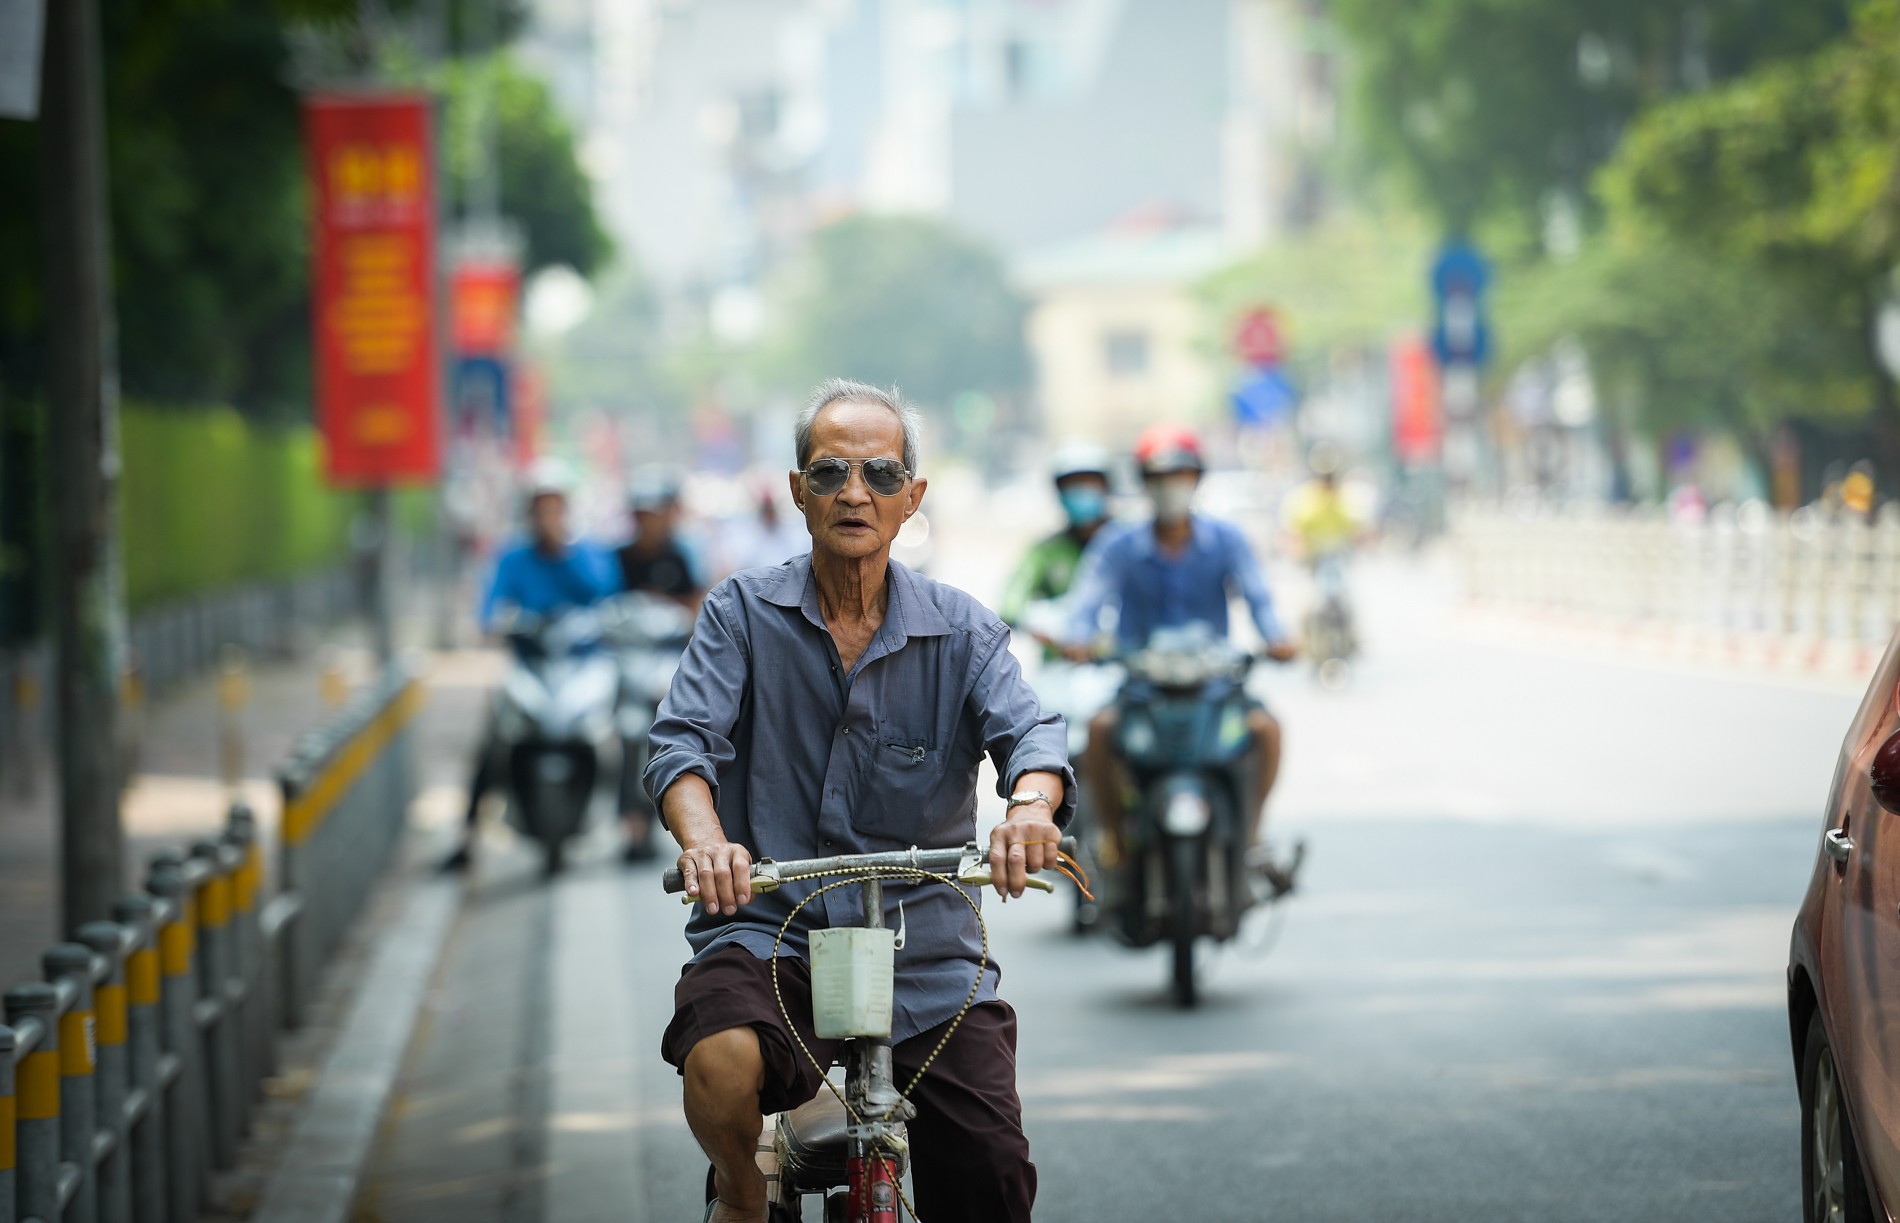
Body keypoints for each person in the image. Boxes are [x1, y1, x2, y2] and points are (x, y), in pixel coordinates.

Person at [646, 378, 1073, 1223]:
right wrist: (707, 842)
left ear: (911, 499)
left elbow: (1034, 735)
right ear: (797, 490)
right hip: (773, 929)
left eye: (880, 474)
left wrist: (1028, 808)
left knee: (992, 1174)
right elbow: (682, 744)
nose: (854, 492)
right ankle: (739, 1189)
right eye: (830, 471)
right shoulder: (740, 612)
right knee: (721, 1054)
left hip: (926, 951)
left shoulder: (964, 630)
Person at [1062, 423, 1298, 885]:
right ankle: (1115, 844)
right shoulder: (1119, 545)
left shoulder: (1227, 540)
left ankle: (1251, 838)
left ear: (1197, 480)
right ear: (1145, 484)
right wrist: (1079, 637)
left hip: (1215, 689)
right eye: (1160, 477)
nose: (1171, 488)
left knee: (1266, 730)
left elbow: (1260, 598)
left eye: (1181, 476)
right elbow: (1088, 602)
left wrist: (1278, 637)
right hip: (1142, 691)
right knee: (1099, 733)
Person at [442, 463, 619, 872]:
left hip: (584, 666)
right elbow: (489, 609)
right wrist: (496, 624)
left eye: (555, 507)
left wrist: (564, 551)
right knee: (495, 740)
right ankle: (466, 836)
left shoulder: (587, 552)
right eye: (541, 508)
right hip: (530, 666)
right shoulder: (512, 558)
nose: (548, 516)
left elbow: (606, 595)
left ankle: (633, 826)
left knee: (625, 729)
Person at [997, 442, 1115, 653]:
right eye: (1073, 486)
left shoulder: (1124, 545)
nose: (1081, 492)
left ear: (1105, 487)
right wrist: (1040, 628)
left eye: (1088, 483)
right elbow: (1012, 601)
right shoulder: (1046, 551)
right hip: (1060, 670)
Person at [617, 468, 705, 611]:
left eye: (656, 515)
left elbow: (695, 601)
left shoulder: (682, 553)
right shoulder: (619, 556)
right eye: (643, 516)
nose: (650, 523)